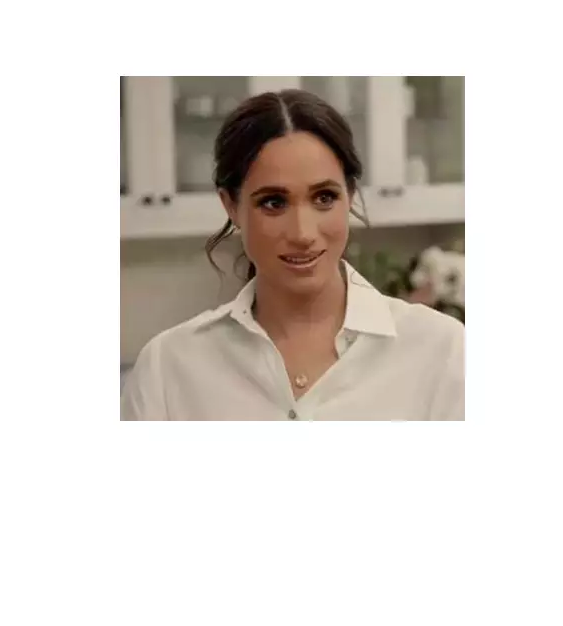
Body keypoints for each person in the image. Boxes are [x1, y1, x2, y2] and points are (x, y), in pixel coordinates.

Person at [120, 89, 464, 421]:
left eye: (324, 198)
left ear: (350, 195)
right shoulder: (168, 369)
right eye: (273, 202)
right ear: (231, 206)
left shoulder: (442, 352)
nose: (302, 234)